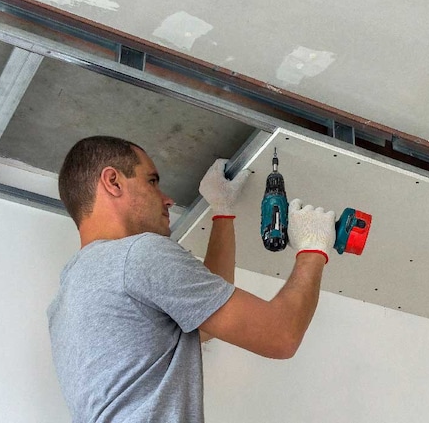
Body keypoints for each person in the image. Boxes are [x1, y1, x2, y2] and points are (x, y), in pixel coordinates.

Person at [47, 135, 335, 422]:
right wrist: (313, 248)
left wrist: (223, 213)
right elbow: (280, 335)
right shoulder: (139, 254)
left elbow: (204, 321)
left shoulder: (69, 294)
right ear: (113, 181)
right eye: (152, 181)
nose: (167, 199)